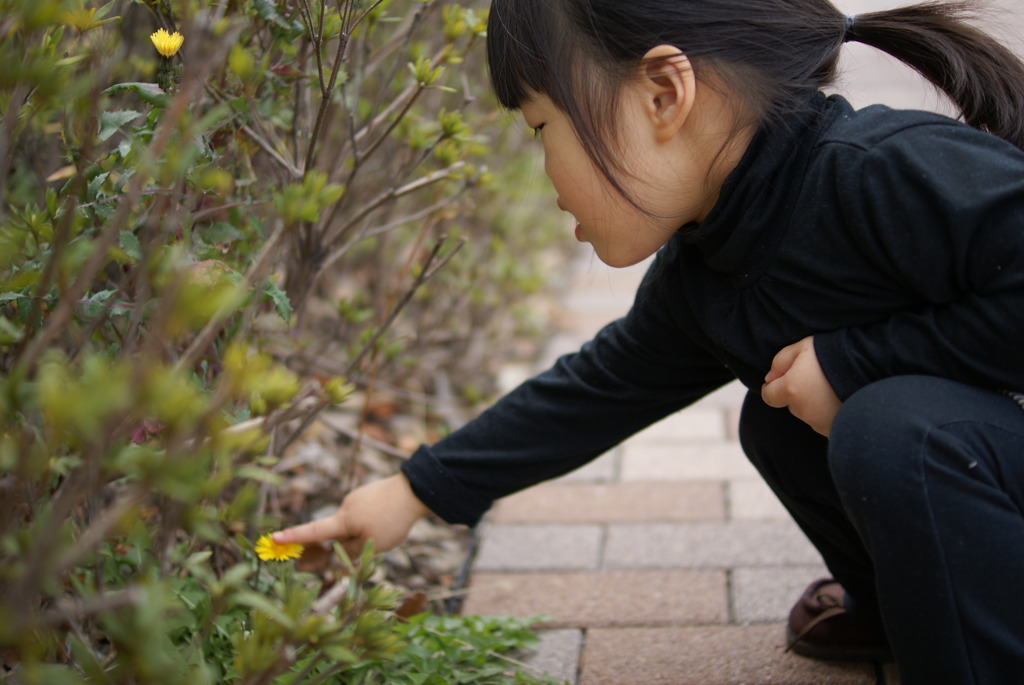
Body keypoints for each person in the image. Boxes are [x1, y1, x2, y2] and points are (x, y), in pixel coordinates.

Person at [274, 1, 1024, 682]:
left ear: (664, 94)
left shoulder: (880, 170)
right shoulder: (714, 260)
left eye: (543, 128)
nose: (548, 175)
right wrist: (414, 491)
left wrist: (856, 362)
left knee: (890, 430)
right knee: (780, 414)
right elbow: (603, 386)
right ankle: (908, 609)